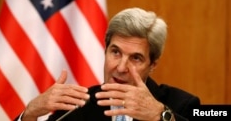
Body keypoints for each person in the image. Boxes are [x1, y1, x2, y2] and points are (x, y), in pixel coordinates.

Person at [15, 7, 200, 121]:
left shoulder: (181, 104)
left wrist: (162, 117)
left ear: (153, 65)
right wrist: (30, 114)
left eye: (136, 58)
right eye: (116, 52)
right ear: (105, 51)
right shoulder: (77, 107)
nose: (120, 67)